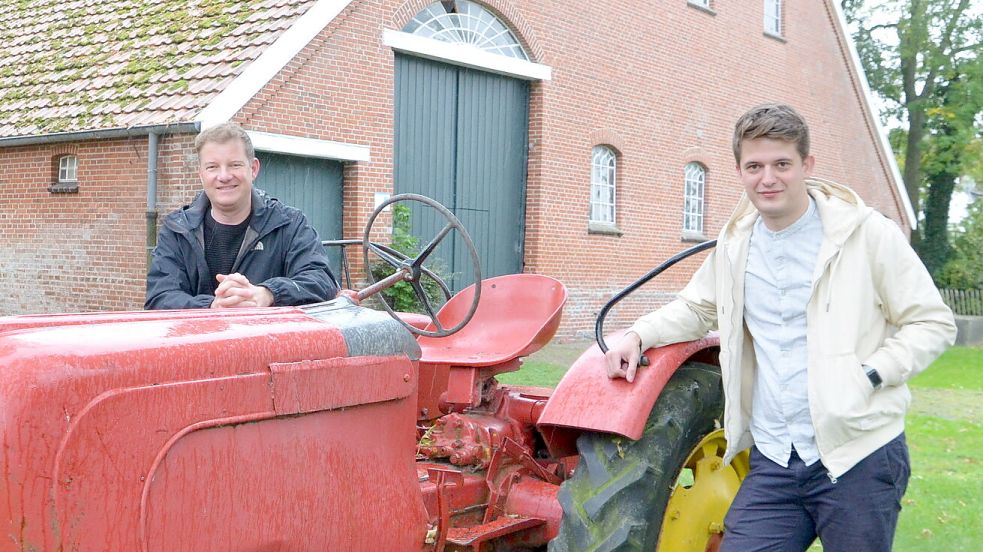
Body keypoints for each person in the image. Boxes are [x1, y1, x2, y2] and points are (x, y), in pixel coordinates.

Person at [605, 104, 956, 551]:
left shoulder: (866, 235)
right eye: (754, 166)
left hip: (858, 454)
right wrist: (639, 334)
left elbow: (931, 321)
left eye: (781, 164)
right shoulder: (736, 245)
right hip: (775, 458)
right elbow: (696, 307)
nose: (767, 178)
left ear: (806, 166)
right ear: (740, 170)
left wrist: (871, 374)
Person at [146, 122, 339, 310]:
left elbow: (321, 280)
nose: (224, 176)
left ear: (253, 169)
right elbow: (159, 298)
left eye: (235, 165)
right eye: (212, 167)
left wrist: (268, 294)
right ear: (201, 174)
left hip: (268, 341)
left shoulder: (289, 225)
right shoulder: (177, 231)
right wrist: (212, 306)